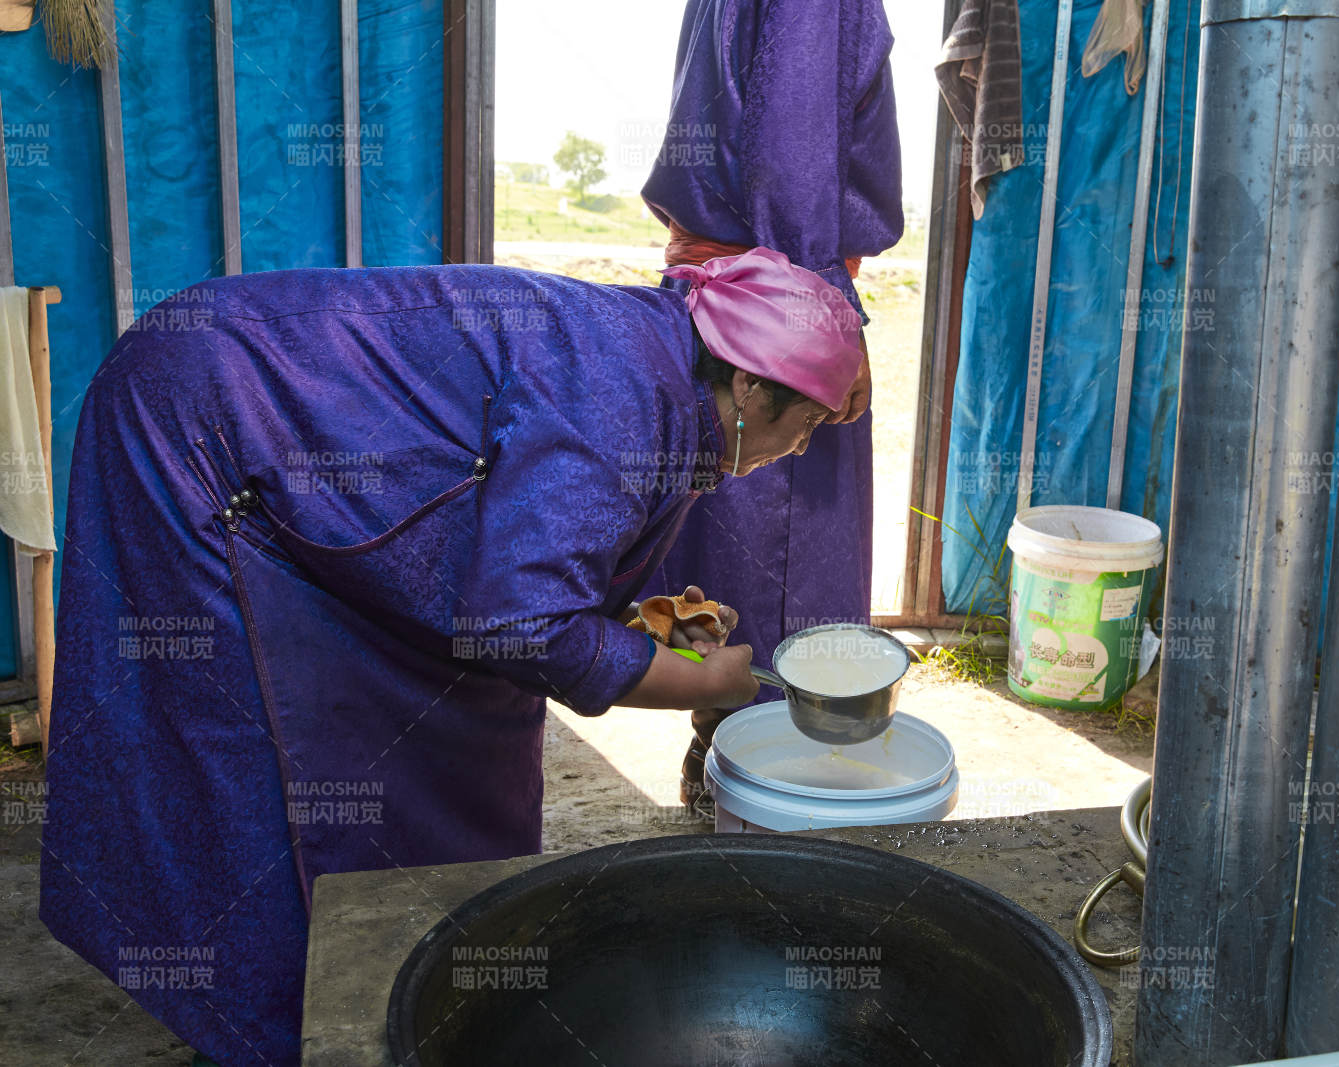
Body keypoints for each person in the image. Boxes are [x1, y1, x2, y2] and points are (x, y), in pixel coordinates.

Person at [39, 248, 861, 1066]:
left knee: (432, 739)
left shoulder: (672, 377)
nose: (800, 449)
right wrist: (698, 682)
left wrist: (646, 627)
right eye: (809, 424)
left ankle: (383, 984)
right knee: (257, 752)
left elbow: (550, 558)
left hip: (274, 439)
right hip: (205, 426)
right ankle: (267, 1031)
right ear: (747, 384)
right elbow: (525, 624)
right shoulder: (623, 394)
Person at [641, 0, 905, 803]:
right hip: (779, 308)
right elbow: (791, 152)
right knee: (788, 588)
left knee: (726, 562)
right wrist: (826, 313)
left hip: (731, 299)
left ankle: (719, 755)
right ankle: (770, 791)